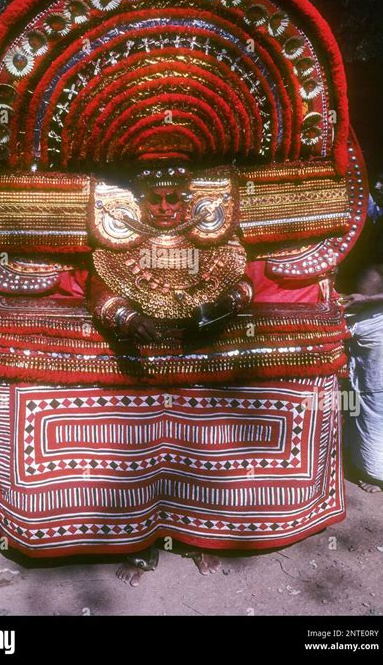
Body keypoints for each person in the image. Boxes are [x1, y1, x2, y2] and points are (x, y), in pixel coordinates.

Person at [87, 167, 253, 585]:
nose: (163, 208)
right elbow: (98, 289)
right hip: (142, 367)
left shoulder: (215, 243)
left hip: (196, 364)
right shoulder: (119, 245)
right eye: (154, 199)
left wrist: (227, 305)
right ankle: (142, 546)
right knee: (140, 458)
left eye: (173, 198)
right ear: (139, 201)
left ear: (188, 199)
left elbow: (245, 281)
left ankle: (196, 538)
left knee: (196, 456)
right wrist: (125, 317)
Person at [338, 169, 383, 497]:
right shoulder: (366, 213)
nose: (381, 185)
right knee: (356, 393)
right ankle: (359, 459)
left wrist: (368, 300)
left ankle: (381, 470)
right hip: (352, 314)